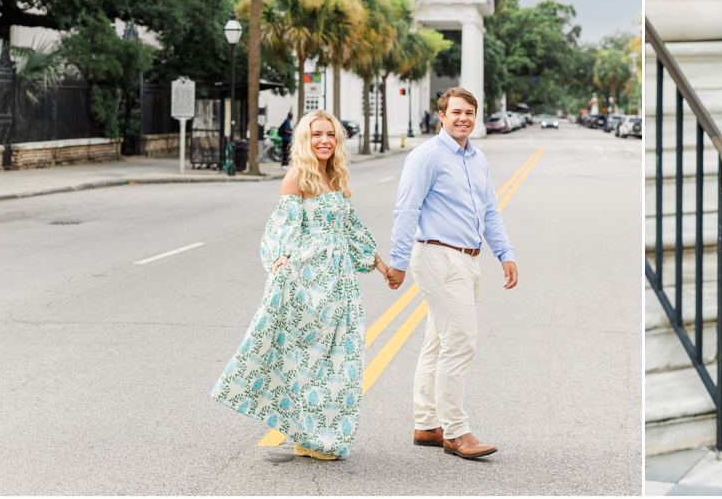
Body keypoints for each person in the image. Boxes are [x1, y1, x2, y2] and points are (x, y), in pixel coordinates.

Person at [211, 110, 392, 460]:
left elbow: (351, 228)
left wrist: (381, 265)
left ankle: (319, 435)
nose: (324, 140)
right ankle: (306, 438)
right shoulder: (297, 177)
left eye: (330, 134)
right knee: (308, 363)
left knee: (341, 360)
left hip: (340, 285)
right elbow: (282, 226)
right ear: (304, 140)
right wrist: (278, 258)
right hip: (308, 284)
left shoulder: (335, 176)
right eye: (316, 134)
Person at [385, 87, 519, 459]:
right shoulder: (426, 156)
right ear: (441, 115)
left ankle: (427, 423)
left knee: (439, 342)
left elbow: (489, 211)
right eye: (457, 112)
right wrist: (397, 262)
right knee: (461, 341)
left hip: (468, 259)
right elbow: (406, 210)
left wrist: (504, 253)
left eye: (470, 113)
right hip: (437, 258)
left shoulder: (476, 158)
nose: (464, 119)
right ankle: (456, 431)